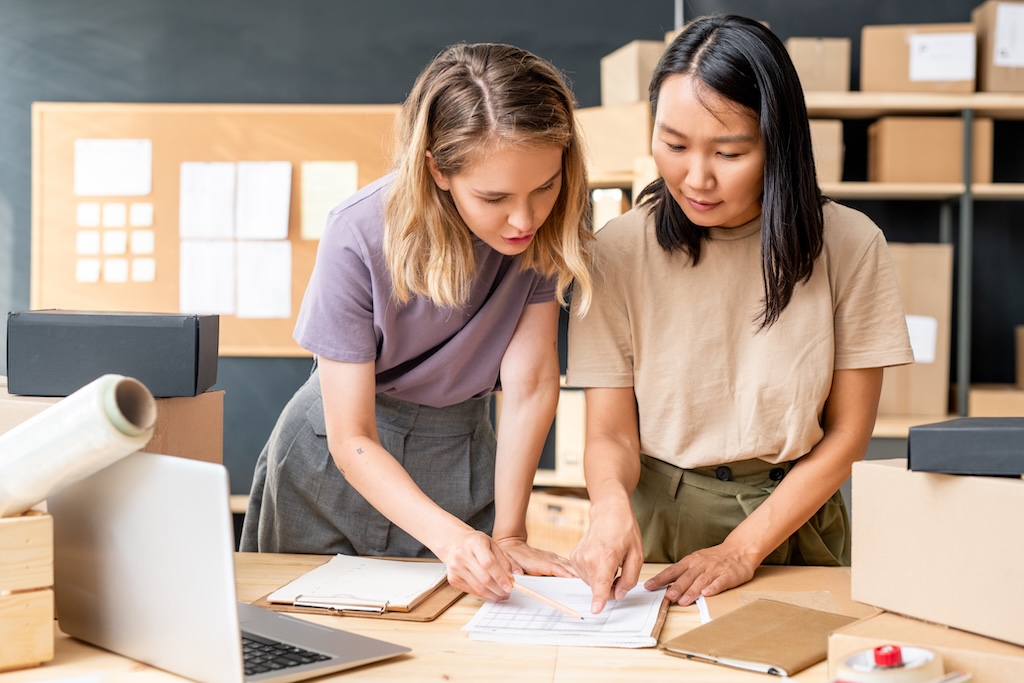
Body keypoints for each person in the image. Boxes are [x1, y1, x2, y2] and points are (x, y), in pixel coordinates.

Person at [566, 14, 914, 614]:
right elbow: (610, 432)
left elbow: (848, 435)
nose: (694, 177)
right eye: (673, 145)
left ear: (777, 144)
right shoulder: (617, 250)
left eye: (728, 152)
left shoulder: (852, 244)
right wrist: (607, 506)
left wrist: (742, 549)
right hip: (657, 526)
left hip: (791, 521)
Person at [240, 42, 593, 603]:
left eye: (544, 187)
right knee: (303, 632)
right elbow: (351, 435)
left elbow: (530, 385)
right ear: (438, 169)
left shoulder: (552, 222)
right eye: (494, 197)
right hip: (332, 462)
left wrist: (510, 532)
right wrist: (450, 539)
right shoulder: (357, 232)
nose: (524, 218)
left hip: (461, 449)